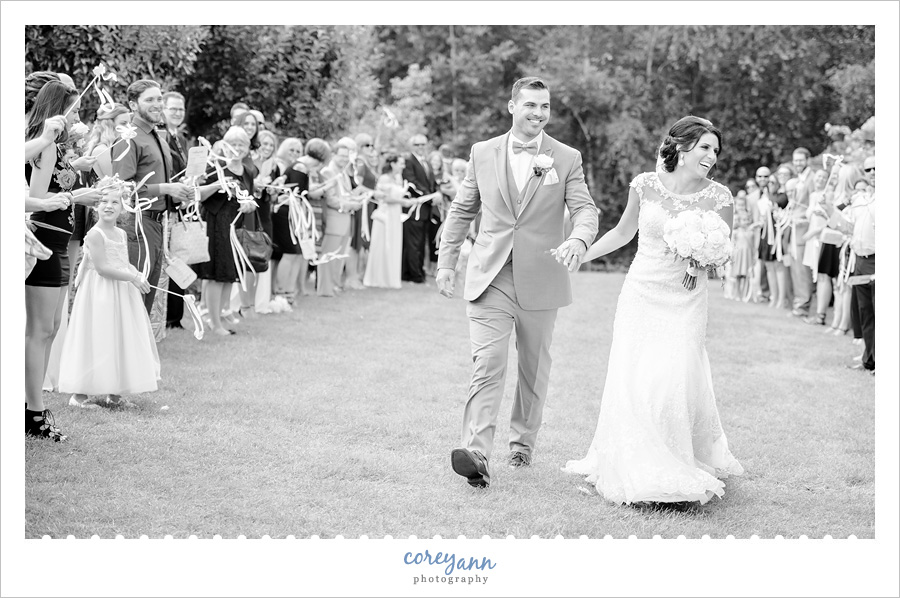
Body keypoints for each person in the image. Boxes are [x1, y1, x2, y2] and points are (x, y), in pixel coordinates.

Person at [563, 116, 744, 505]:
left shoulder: (720, 197)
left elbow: (722, 250)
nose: (712, 156)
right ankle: (637, 461)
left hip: (686, 298)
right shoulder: (645, 185)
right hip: (641, 291)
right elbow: (623, 233)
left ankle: (676, 459)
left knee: (673, 376)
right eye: (705, 148)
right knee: (636, 377)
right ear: (681, 146)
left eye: (715, 150)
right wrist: (583, 253)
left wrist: (699, 262)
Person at [436, 76, 599, 488]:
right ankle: (476, 451)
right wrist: (446, 262)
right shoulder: (482, 152)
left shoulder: (565, 157)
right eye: (530, 105)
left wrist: (578, 238)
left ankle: (522, 444)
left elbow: (585, 209)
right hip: (490, 276)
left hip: (542, 277)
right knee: (488, 363)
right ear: (512, 106)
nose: (538, 114)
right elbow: (461, 211)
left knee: (533, 368)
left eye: (544, 107)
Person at [25, 79, 101, 440]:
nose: (77, 119)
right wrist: (76, 197)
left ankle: (31, 404)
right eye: (73, 111)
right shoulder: (45, 147)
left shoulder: (56, 147)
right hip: (43, 240)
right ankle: (34, 413)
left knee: (51, 328)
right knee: (40, 330)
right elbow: (39, 196)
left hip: (58, 242)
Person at [59, 178, 161, 408]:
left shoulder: (121, 234)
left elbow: (123, 263)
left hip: (121, 292)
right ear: (95, 205)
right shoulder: (95, 234)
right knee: (97, 335)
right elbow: (104, 269)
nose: (108, 206)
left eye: (115, 202)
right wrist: (132, 277)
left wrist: (138, 274)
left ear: (123, 207)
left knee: (119, 336)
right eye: (103, 201)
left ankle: (115, 391)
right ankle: (80, 395)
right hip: (99, 293)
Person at [112, 79, 193, 316]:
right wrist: (167, 189)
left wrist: (179, 194)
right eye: (150, 100)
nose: (157, 104)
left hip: (159, 224)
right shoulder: (129, 138)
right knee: (134, 297)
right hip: (137, 225)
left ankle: (140, 352)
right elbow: (122, 189)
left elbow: (161, 183)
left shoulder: (160, 138)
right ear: (133, 105)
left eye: (159, 99)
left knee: (147, 298)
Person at [193, 128, 259, 336]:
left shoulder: (248, 171)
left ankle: (221, 315)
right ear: (224, 145)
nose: (237, 149)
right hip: (214, 223)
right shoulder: (215, 167)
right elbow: (199, 195)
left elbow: (249, 197)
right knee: (215, 274)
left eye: (242, 144)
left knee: (229, 274)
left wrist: (249, 205)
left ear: (248, 148)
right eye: (233, 144)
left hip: (235, 225)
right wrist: (219, 185)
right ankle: (214, 322)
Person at [827, 155, 875, 373]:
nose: (873, 172)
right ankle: (869, 360)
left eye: (876, 168)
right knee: (864, 311)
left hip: (877, 260)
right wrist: (829, 212)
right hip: (860, 261)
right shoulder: (859, 199)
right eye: (868, 169)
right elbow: (848, 227)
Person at [160, 91, 191, 329]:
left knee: (179, 257)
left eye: (180, 109)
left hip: (179, 205)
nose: (177, 113)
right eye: (173, 109)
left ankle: (175, 316)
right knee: (168, 260)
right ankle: (168, 316)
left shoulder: (180, 139)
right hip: (164, 204)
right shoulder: (161, 137)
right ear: (163, 110)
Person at [317, 138, 362, 297]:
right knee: (328, 256)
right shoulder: (328, 172)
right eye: (341, 155)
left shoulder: (343, 173)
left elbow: (345, 195)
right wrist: (350, 205)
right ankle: (324, 289)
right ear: (333, 155)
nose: (344, 159)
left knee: (339, 257)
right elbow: (331, 199)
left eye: (346, 156)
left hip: (345, 221)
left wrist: (355, 200)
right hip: (333, 220)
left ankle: (335, 285)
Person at [363, 153, 414, 289]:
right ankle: (377, 279)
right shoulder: (384, 178)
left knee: (394, 244)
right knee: (381, 245)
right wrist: (403, 201)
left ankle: (391, 278)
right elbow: (383, 198)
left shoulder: (398, 178)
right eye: (401, 163)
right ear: (393, 164)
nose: (403, 166)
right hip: (384, 215)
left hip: (395, 214)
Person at [402, 134, 442, 283]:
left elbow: (432, 183)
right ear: (412, 146)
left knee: (420, 243)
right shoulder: (409, 161)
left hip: (426, 210)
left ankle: (415, 272)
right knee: (414, 243)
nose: (420, 147)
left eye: (423, 145)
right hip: (414, 209)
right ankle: (415, 275)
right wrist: (430, 196)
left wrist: (437, 193)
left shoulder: (426, 162)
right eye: (417, 145)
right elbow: (411, 183)